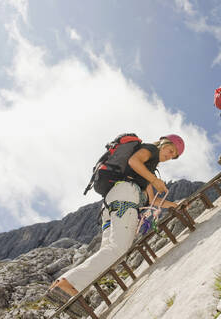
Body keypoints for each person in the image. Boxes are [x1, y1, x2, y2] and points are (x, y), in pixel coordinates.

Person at [44, 134, 185, 317]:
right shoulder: (150, 150)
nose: (169, 155)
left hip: (111, 202)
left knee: (110, 251)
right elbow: (135, 161)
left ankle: (70, 289)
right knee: (119, 249)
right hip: (126, 196)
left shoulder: (148, 170)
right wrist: (155, 180)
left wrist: (175, 205)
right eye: (170, 149)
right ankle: (68, 284)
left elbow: (152, 200)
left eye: (173, 155)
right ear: (163, 143)